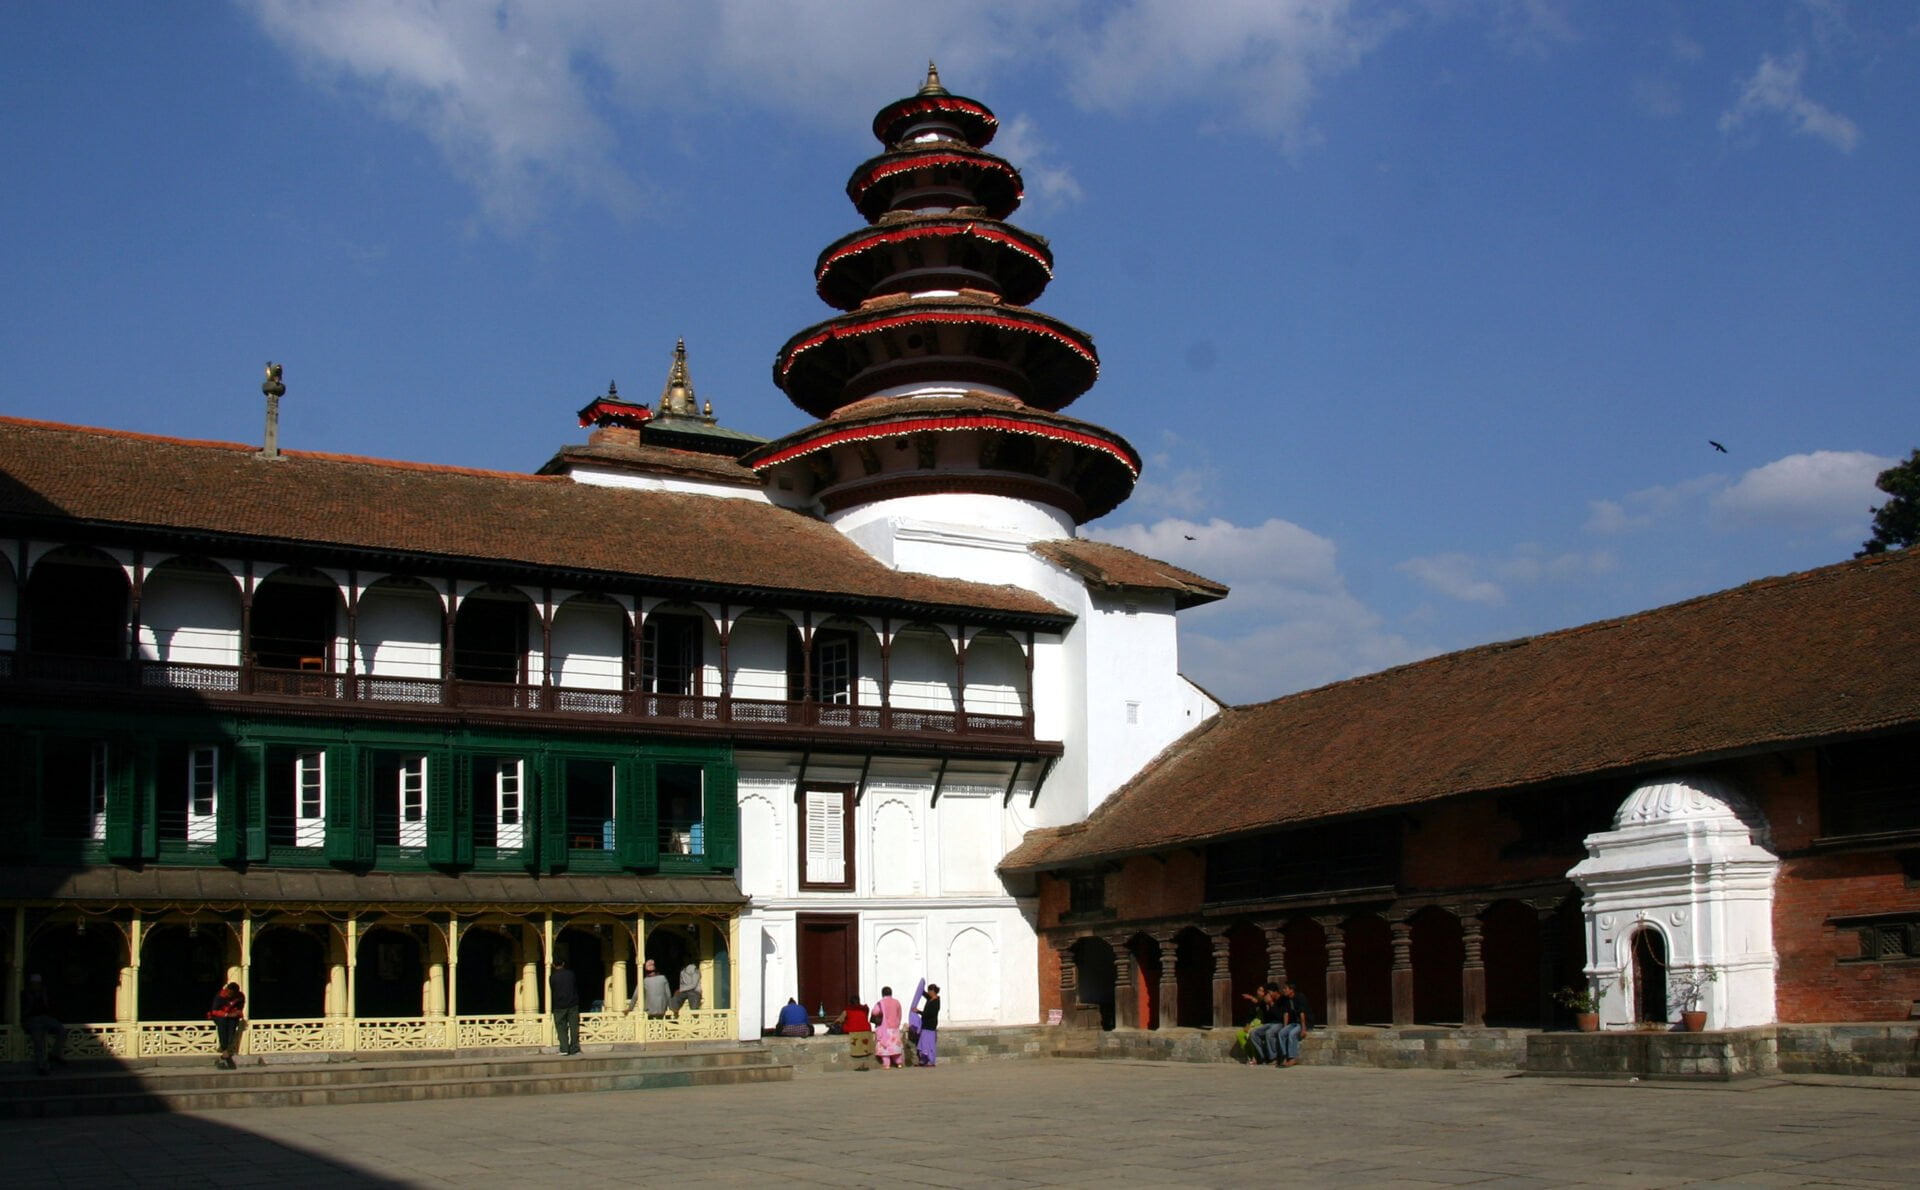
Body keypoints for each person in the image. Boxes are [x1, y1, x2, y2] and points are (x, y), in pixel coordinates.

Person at [23, 973, 67, 1076]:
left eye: (38, 984)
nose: (36, 986)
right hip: (33, 1019)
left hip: (45, 1018)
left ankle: (54, 1054)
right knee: (39, 1041)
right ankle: (42, 1066)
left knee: (62, 1031)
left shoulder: (44, 993)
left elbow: (48, 1008)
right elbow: (25, 1012)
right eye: (34, 984)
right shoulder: (25, 994)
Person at [208, 981, 246, 1069]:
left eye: (231, 994)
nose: (229, 995)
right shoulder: (220, 996)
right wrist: (227, 1014)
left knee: (232, 1028)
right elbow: (214, 1011)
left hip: (232, 1017)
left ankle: (226, 1050)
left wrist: (237, 1012)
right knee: (222, 1025)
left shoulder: (240, 997)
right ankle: (224, 1049)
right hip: (220, 1016)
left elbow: (240, 1007)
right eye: (228, 992)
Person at [1273, 980, 1311, 1067]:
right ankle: (1284, 1056)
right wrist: (1285, 1027)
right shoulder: (1286, 999)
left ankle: (1292, 1058)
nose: (1284, 990)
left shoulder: (1300, 997)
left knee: (1292, 1034)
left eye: (1285, 988)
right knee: (1281, 1033)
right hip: (1293, 1023)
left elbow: (1302, 1013)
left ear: (1291, 990)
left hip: (1302, 1023)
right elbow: (1286, 1013)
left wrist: (1303, 1028)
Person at [550, 957, 581, 1055]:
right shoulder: (570, 974)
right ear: (563, 963)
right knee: (573, 1026)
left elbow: (553, 989)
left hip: (559, 1005)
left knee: (561, 1027)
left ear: (554, 965)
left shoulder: (552, 977)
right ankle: (574, 1048)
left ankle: (564, 1048)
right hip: (572, 1004)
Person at [871, 985, 905, 1069]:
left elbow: (875, 1012)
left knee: (885, 1047)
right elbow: (899, 1014)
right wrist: (897, 1023)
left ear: (882, 993)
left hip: (884, 1028)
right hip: (894, 1027)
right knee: (895, 1046)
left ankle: (887, 1064)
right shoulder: (897, 1002)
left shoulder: (881, 1002)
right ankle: (899, 1062)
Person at [915, 983, 942, 1068]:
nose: (929, 992)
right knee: (923, 1043)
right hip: (925, 1025)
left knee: (929, 1044)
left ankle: (931, 1060)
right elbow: (925, 994)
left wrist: (918, 1011)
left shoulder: (936, 1002)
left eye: (930, 991)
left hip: (930, 1026)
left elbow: (929, 1014)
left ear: (933, 991)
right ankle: (924, 1060)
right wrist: (921, 989)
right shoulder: (930, 999)